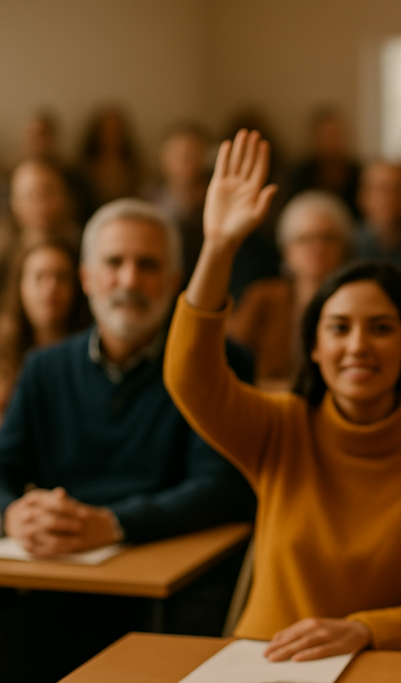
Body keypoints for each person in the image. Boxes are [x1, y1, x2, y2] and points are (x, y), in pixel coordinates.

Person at [165, 129, 401, 660]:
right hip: (260, 661)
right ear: (312, 347)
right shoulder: (281, 426)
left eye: (380, 328)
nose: (358, 346)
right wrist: (219, 246)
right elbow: (190, 377)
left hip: (379, 666)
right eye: (338, 329)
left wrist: (363, 631)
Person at [0, 198, 256, 683]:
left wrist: (114, 523)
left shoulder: (219, 365)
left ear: (177, 279)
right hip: (61, 576)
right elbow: (3, 467)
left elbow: (222, 486)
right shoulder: (45, 367)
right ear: (87, 278)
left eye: (148, 265)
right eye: (114, 263)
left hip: (172, 581)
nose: (130, 281)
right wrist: (12, 511)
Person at [228, 190, 353, 388]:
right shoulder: (262, 297)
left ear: (344, 249)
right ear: (287, 251)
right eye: (305, 239)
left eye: (327, 238)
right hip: (265, 406)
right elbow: (228, 359)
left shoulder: (357, 303)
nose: (317, 248)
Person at [0, 240, 92, 416]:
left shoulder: (93, 351)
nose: (50, 288)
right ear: (21, 285)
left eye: (61, 277)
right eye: (39, 277)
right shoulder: (3, 350)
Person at [143, 122, 212, 281]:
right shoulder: (148, 202)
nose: (185, 161)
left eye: (193, 154)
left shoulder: (218, 202)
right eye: (178, 155)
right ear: (163, 158)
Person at [0, 157, 80, 292]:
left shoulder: (81, 250)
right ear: (13, 202)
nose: (40, 202)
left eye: (47, 191)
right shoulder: (3, 255)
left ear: (64, 195)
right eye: (30, 195)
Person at [353, 161, 401, 295]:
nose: (389, 197)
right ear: (362, 197)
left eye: (397, 189)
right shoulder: (348, 243)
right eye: (381, 189)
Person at [286, 106, 362, 219]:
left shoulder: (358, 174)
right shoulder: (299, 175)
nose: (332, 142)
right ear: (315, 138)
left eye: (336, 135)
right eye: (327, 136)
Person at [77, 106, 142, 209]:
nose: (112, 136)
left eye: (116, 131)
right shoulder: (85, 169)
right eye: (107, 131)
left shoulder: (135, 168)